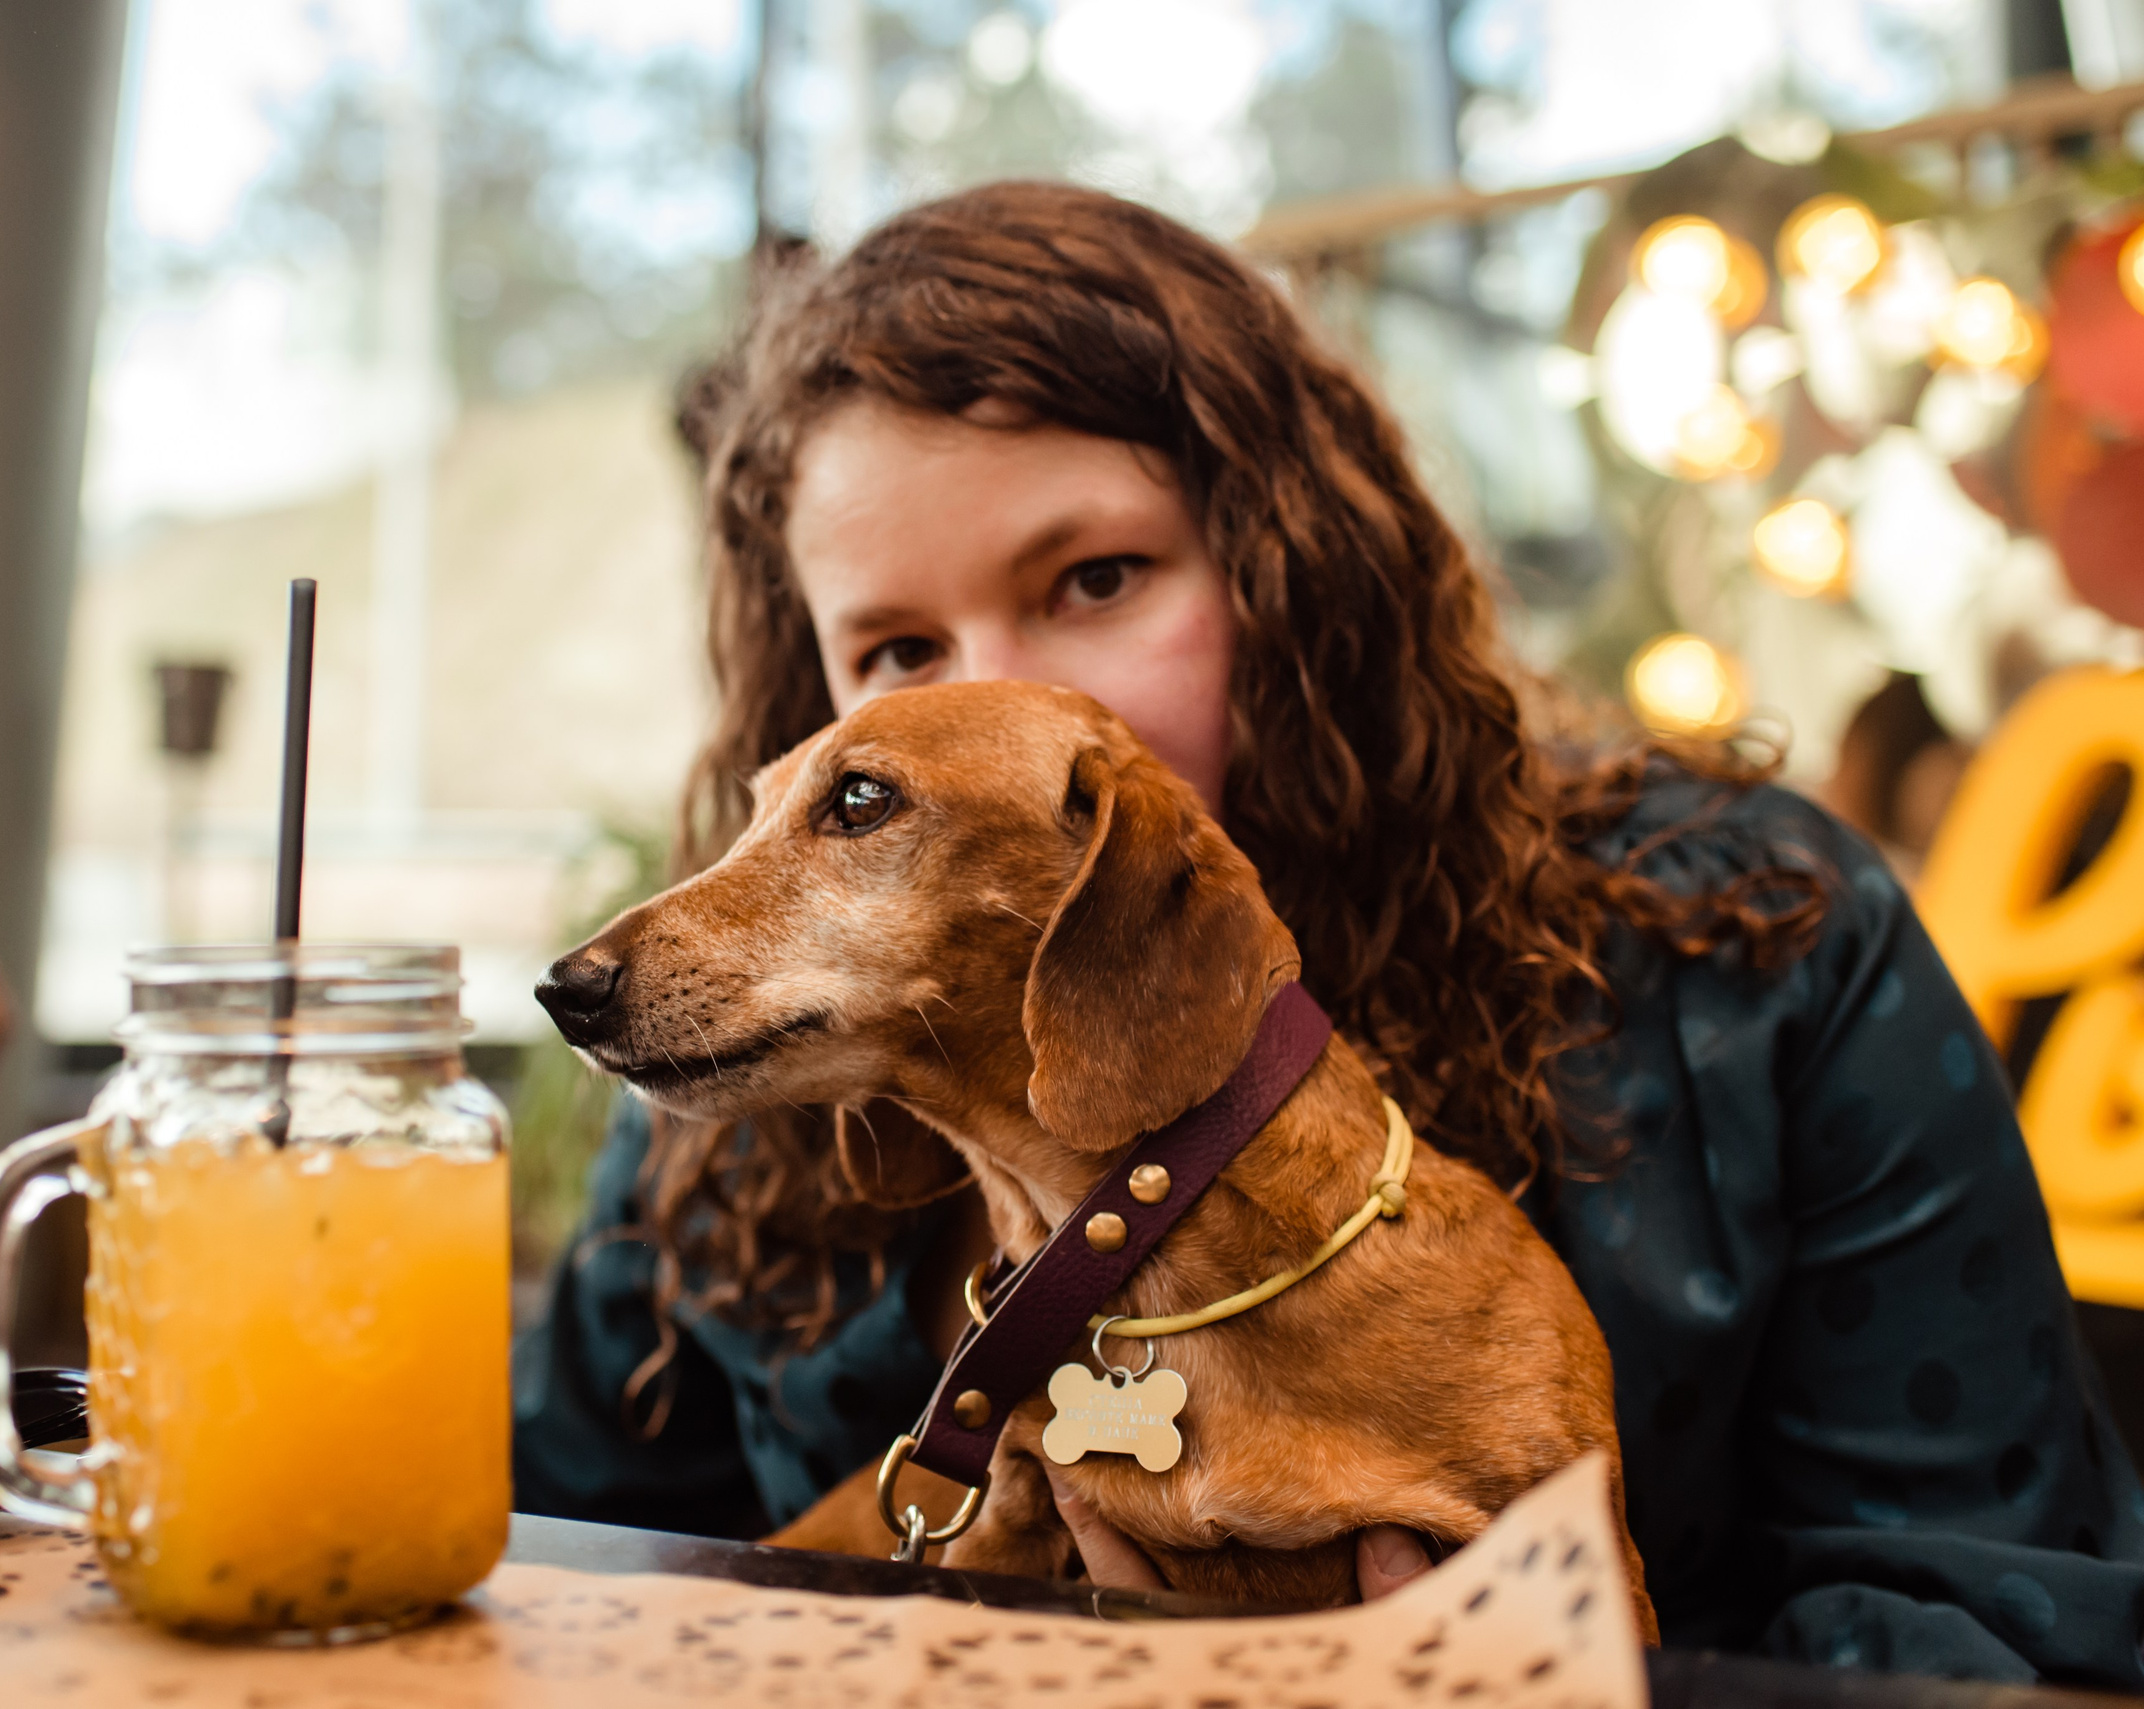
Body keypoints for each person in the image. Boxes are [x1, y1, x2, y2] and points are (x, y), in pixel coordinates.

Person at [512, 182, 2144, 1688]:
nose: (999, 704)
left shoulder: (1755, 947)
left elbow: (1982, 1619)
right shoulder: (726, 1060)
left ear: (1300, 571)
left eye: (1094, 577)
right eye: (896, 646)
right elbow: (544, 1578)